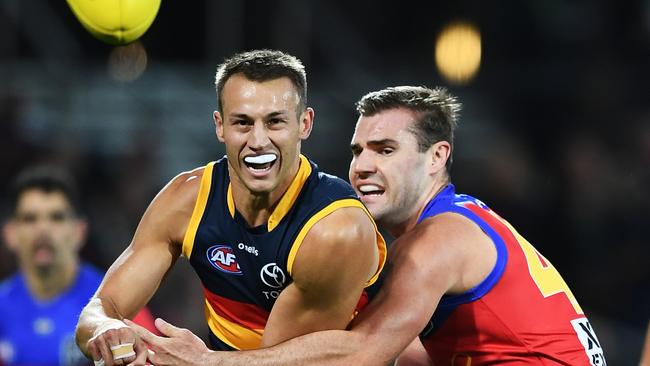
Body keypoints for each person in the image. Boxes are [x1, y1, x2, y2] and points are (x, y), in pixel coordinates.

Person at [128, 85, 607, 365]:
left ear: (438, 157)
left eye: (385, 150)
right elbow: (409, 352)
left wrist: (214, 362)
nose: (361, 167)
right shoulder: (450, 229)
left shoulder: (437, 242)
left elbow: (365, 354)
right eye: (358, 151)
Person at [75, 49, 386, 366]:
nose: (259, 141)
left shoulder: (334, 230)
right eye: (242, 123)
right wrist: (107, 328)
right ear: (220, 126)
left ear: (304, 124)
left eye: (275, 122)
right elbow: (102, 306)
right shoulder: (186, 200)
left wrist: (202, 362)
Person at [0, 166, 157, 366]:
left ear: (79, 232)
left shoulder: (114, 302)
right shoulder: (2, 307)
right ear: (10, 234)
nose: (43, 229)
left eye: (57, 217)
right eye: (30, 219)